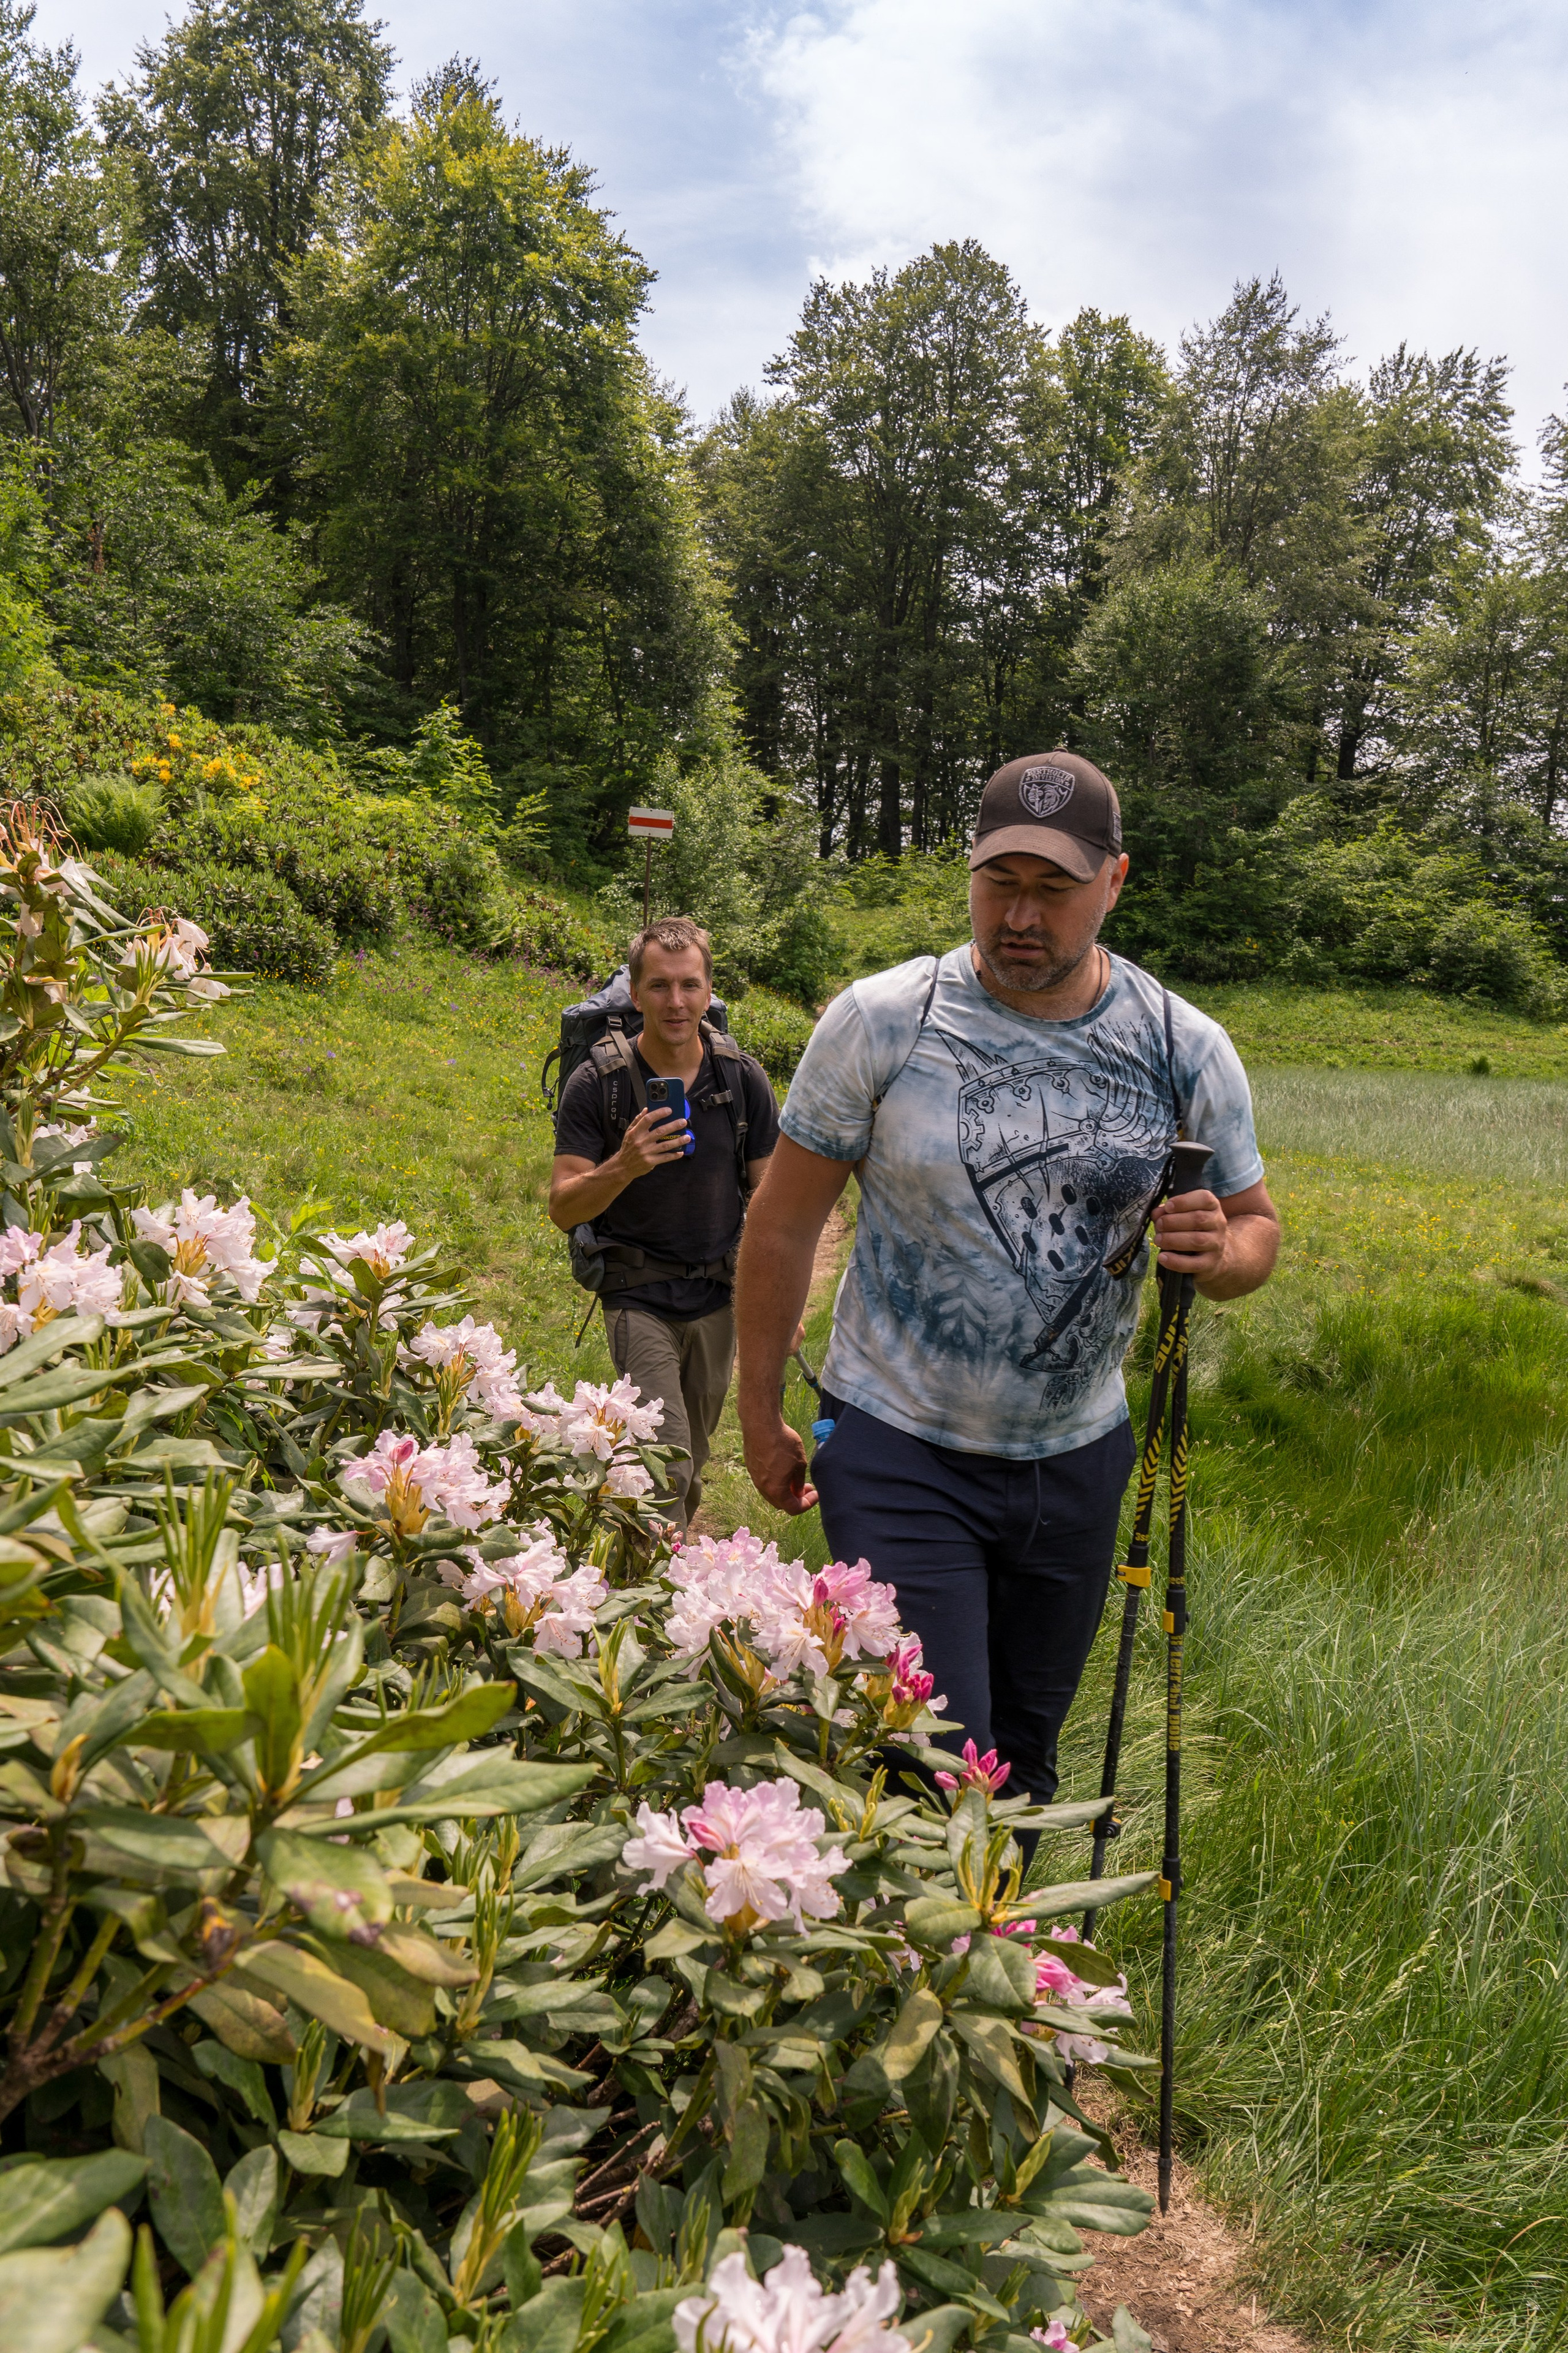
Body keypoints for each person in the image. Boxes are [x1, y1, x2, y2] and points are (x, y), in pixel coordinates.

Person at [736, 750, 1280, 1805]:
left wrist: (1224, 1252)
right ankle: (906, 1957)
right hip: (897, 1445)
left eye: (1054, 888)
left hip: (1077, 1459)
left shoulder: (1184, 1048)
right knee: (929, 1763)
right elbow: (784, 1220)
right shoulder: (883, 1021)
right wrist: (760, 1412)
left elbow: (1255, 1229)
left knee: (1020, 1763)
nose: (1019, 915)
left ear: (1115, 883)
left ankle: (998, 1956)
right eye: (1000, 883)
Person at [550, 915, 782, 1528]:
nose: (675, 1002)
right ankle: (652, 1602)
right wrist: (623, 1166)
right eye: (659, 986)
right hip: (637, 1291)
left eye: (688, 985)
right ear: (634, 993)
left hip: (716, 1294)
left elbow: (770, 1202)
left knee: (693, 1461)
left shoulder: (742, 1079)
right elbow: (563, 1206)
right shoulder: (596, 1084)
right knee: (667, 1463)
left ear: (709, 991)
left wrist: (775, 1305)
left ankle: (657, 1566)